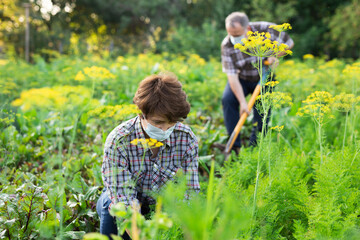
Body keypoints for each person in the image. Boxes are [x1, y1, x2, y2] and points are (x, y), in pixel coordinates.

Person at [96, 73, 200, 240]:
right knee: (111, 206)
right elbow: (122, 198)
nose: (165, 130)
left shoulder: (186, 138)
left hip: (163, 204)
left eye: (171, 123)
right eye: (158, 123)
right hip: (126, 201)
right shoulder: (119, 140)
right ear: (141, 113)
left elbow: (189, 191)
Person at [221, 12, 294, 150]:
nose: (234, 38)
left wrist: (274, 55)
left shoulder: (268, 29)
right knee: (228, 100)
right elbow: (232, 76)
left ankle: (255, 149)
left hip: (265, 76)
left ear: (247, 29)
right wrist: (243, 102)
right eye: (230, 34)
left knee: (262, 112)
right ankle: (234, 147)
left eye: (237, 34)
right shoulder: (227, 45)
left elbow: (289, 43)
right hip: (242, 79)